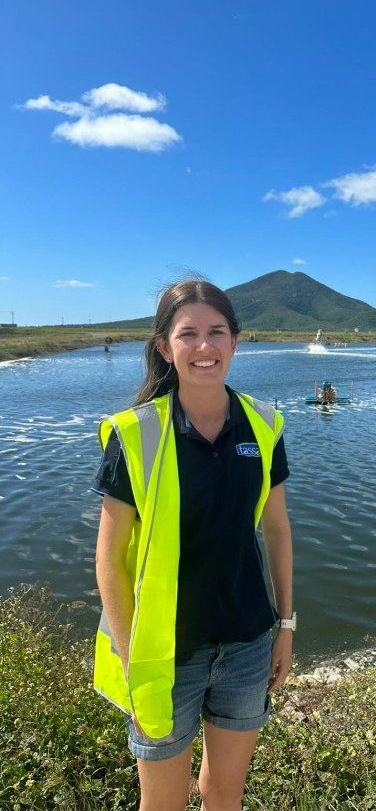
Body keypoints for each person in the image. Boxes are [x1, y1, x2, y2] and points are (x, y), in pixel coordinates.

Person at [92, 279, 294, 811]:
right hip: (164, 653)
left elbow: (277, 529)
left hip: (248, 644)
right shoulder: (135, 434)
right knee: (161, 803)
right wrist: (131, 658)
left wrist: (286, 626)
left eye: (217, 332)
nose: (204, 347)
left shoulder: (264, 424)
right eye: (189, 334)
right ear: (165, 347)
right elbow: (109, 560)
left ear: (235, 341)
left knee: (224, 793)